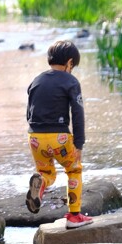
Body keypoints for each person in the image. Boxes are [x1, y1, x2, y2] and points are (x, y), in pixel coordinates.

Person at [25, 40, 93, 229]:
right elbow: (77, 114)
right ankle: (74, 215)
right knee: (74, 170)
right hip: (59, 138)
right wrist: (79, 143)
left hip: (35, 137)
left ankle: (40, 184)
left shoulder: (36, 80)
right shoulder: (71, 81)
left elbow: (28, 113)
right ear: (69, 63)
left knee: (46, 172)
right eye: (73, 66)